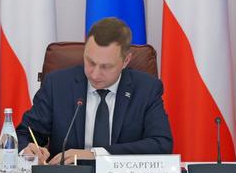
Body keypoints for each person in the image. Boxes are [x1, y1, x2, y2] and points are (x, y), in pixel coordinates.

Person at [18, 17, 172, 163]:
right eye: (90, 62)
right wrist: (27, 150)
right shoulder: (57, 85)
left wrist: (96, 154)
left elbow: (161, 144)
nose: (95, 74)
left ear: (126, 61)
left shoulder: (146, 89)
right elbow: (24, 134)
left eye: (106, 66)